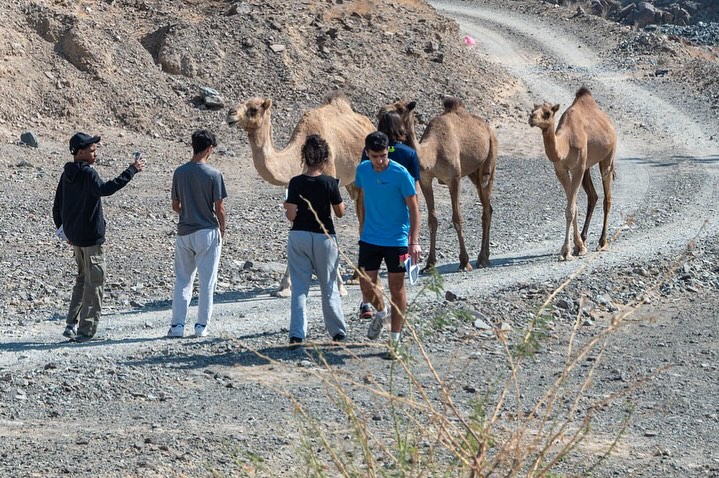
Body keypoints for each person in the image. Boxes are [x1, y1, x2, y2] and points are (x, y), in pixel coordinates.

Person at [53, 132, 144, 342]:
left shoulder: (66, 174)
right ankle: (86, 332)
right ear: (81, 152)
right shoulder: (88, 174)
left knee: (82, 279)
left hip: (75, 239)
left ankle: (71, 324)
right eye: (92, 151)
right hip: (91, 239)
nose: (96, 154)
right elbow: (106, 189)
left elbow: (56, 207)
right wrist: (132, 170)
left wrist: (64, 232)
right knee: (94, 284)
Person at [355, 131, 421, 359]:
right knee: (365, 285)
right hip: (370, 238)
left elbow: (414, 208)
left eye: (383, 155)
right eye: (375, 156)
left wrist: (414, 241)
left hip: (398, 241)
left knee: (397, 289)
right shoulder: (362, 170)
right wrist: (362, 225)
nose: (380, 161)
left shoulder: (401, 174)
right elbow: (362, 197)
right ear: (368, 154)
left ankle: (395, 341)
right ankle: (381, 312)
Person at [283, 134, 348, 347]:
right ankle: (337, 332)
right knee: (328, 285)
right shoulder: (329, 183)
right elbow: (340, 213)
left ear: (304, 157)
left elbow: (291, 216)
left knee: (299, 288)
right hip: (324, 236)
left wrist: (289, 207)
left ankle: (297, 334)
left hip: (299, 234)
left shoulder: (295, 183)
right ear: (324, 158)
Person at [167, 130, 227, 338]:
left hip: (184, 231)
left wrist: (188, 212)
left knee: (183, 280)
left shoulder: (179, 172)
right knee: (207, 281)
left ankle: (177, 326)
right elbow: (219, 207)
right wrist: (223, 228)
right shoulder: (214, 174)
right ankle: (201, 326)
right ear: (209, 148)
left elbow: (176, 205)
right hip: (207, 231)